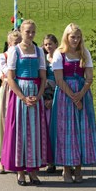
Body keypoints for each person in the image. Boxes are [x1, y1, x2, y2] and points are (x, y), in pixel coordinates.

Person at [1, 19, 50, 186]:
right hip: (20, 94)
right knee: (20, 132)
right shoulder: (15, 51)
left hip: (36, 93)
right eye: (27, 31)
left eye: (33, 32)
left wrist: (39, 95)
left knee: (36, 132)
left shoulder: (39, 51)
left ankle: (33, 171)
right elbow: (10, 77)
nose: (30, 34)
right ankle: (20, 171)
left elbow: (43, 77)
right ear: (21, 32)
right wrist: (22, 97)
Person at [50, 23, 96, 183]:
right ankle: (66, 168)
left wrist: (81, 95)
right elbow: (58, 79)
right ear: (66, 37)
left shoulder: (84, 53)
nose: (75, 40)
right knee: (66, 131)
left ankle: (78, 168)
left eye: (78, 37)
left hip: (82, 93)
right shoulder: (59, 53)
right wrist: (73, 96)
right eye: (72, 37)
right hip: (65, 95)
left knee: (81, 130)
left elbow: (89, 77)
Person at [0, 29, 22, 174]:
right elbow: (4, 74)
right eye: (15, 42)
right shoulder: (3, 56)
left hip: (20, 90)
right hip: (8, 91)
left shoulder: (24, 55)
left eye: (19, 42)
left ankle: (16, 158)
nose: (17, 45)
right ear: (9, 43)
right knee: (4, 123)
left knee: (18, 124)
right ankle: (1, 159)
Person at [42, 34, 59, 174]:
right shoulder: (43, 59)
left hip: (59, 95)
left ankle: (63, 159)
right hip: (46, 95)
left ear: (56, 44)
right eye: (46, 44)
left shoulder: (60, 57)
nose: (48, 47)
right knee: (48, 128)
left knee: (60, 129)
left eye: (50, 44)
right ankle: (50, 161)